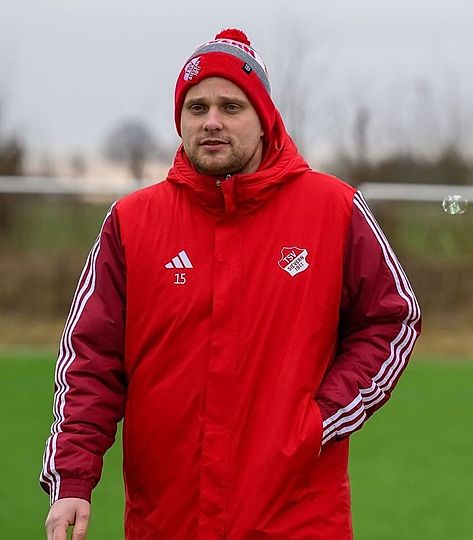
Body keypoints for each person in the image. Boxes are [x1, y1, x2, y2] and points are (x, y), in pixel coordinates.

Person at [40, 29, 420, 539]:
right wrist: (72, 478)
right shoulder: (131, 222)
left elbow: (394, 319)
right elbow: (90, 360)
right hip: (167, 522)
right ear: (180, 119)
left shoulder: (334, 209)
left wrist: (318, 420)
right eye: (196, 107)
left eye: (231, 107)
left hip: (297, 520)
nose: (212, 121)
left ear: (264, 119)